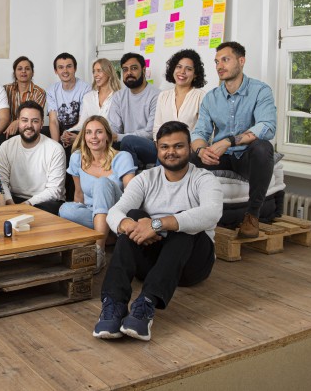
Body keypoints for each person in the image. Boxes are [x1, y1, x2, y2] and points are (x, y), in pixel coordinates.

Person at [93, 121, 223, 341]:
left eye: (178, 146)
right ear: (157, 148)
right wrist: (130, 226)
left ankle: (146, 304)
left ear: (190, 147)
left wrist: (157, 224)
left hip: (192, 264)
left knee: (184, 222)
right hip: (153, 263)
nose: (171, 152)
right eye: (164, 147)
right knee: (132, 216)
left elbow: (212, 213)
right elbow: (116, 211)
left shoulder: (204, 179)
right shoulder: (146, 178)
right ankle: (114, 303)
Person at [190, 41, 276, 238]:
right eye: (217, 61)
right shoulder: (211, 98)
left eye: (225, 60)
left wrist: (230, 140)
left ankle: (252, 215)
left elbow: (267, 126)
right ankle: (185, 212)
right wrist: (202, 150)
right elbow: (199, 133)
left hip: (247, 157)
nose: (219, 66)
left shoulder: (260, 91)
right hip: (221, 157)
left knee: (263, 147)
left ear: (241, 61)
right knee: (188, 156)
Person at [59, 116, 136, 273]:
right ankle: (107, 235)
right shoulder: (77, 158)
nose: (93, 137)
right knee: (65, 210)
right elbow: (79, 195)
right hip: (91, 211)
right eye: (88, 132)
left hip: (118, 212)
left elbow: (132, 196)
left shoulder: (122, 157)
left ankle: (99, 252)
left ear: (107, 136)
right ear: (84, 136)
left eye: (99, 132)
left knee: (102, 182)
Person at [0, 101, 66, 215]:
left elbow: (55, 190)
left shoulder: (55, 149)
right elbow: (1, 181)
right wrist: (10, 204)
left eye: (35, 121)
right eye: (24, 120)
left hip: (45, 202)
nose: (29, 125)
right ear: (18, 122)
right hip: (14, 199)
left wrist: (26, 205)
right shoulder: (6, 147)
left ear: (42, 123)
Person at [108, 52, 161, 168]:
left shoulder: (156, 96)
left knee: (128, 141)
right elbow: (114, 128)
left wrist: (119, 137)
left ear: (143, 70)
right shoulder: (118, 96)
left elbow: (150, 133)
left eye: (134, 68)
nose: (129, 73)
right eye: (125, 70)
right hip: (124, 144)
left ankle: (132, 178)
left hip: (151, 146)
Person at [152, 49, 207, 140]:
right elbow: (157, 127)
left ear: (195, 74)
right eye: (179, 67)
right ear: (173, 69)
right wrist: (160, 146)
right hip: (164, 147)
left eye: (188, 69)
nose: (182, 72)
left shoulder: (201, 96)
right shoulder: (163, 95)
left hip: (189, 148)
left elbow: (204, 131)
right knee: (129, 141)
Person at [64, 58, 121, 135]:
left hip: (110, 140)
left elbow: (117, 129)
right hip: (88, 139)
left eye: (99, 71)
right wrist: (68, 132)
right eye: (94, 71)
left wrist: (80, 138)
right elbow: (82, 124)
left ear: (109, 72)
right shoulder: (88, 97)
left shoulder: (119, 97)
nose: (95, 75)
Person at [46, 52, 91, 147]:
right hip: (61, 129)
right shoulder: (51, 90)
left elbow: (83, 119)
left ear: (75, 68)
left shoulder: (86, 88)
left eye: (69, 66)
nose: (65, 71)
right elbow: (53, 121)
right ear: (56, 71)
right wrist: (57, 146)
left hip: (80, 129)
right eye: (61, 67)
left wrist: (76, 138)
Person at [3, 56, 47, 138]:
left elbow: (35, 116)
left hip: (29, 129)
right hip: (8, 130)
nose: (23, 71)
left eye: (27, 69)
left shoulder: (39, 92)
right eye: (19, 69)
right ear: (14, 73)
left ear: (32, 73)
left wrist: (17, 122)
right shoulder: (5, 89)